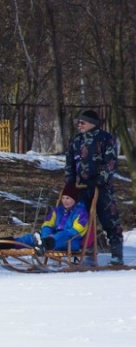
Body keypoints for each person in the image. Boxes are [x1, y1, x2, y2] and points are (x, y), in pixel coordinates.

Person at [64, 109, 124, 266]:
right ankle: (86, 252)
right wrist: (70, 182)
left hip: (101, 187)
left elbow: (111, 162)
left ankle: (117, 253)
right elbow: (69, 162)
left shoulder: (105, 138)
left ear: (92, 123)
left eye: (82, 122)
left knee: (109, 218)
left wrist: (100, 179)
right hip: (81, 187)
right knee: (81, 219)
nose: (79, 125)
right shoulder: (76, 140)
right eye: (78, 122)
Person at [0, 183, 90, 256]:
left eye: (68, 198)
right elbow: (47, 224)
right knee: (29, 238)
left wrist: (53, 236)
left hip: (71, 241)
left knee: (61, 235)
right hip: (50, 237)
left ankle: (43, 244)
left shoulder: (81, 212)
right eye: (63, 198)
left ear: (74, 200)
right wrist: (46, 236)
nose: (65, 201)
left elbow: (75, 230)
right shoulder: (56, 211)